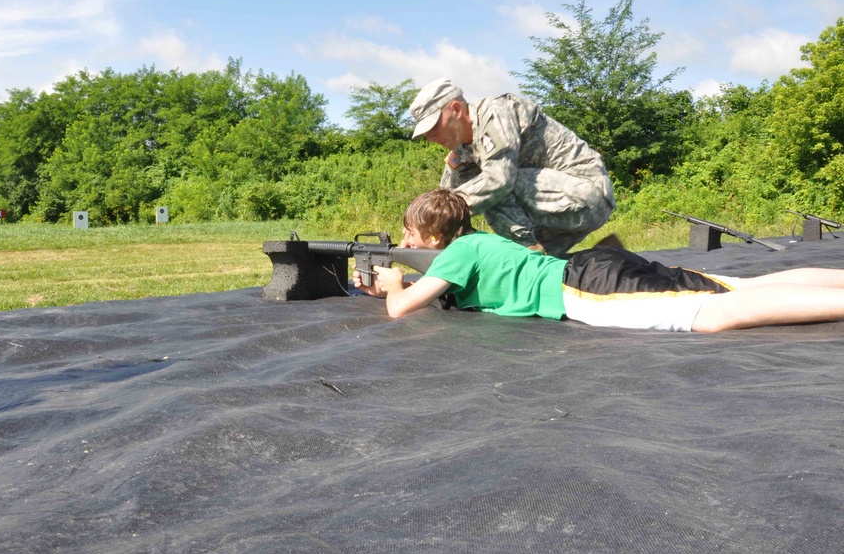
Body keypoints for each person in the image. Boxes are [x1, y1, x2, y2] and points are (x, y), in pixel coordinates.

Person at [354, 189, 844, 333]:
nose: (404, 239)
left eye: (410, 234)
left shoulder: (456, 254)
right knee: (740, 283)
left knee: (715, 314)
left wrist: (393, 283)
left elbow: (401, 309)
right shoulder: (479, 242)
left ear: (434, 236)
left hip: (589, 290)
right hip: (595, 267)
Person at [409, 78, 616, 258]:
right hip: (552, 208)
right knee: (549, 265)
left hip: (589, 193)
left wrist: (431, 221)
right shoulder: (460, 150)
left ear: (455, 109)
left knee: (490, 185)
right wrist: (414, 229)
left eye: (434, 125)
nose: (430, 137)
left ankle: (528, 258)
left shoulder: (494, 112)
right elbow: (443, 199)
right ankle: (610, 258)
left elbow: (499, 179)